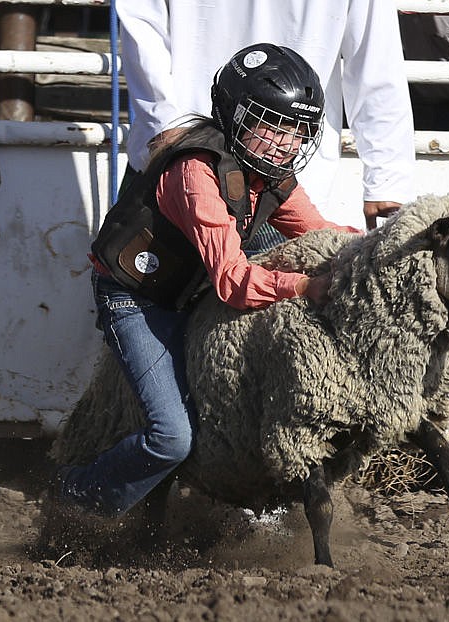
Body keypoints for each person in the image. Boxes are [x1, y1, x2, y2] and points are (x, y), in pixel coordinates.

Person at [52, 44, 360, 518]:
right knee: (171, 436)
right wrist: (302, 286)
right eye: (274, 125)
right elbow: (234, 281)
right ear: (236, 118)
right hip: (136, 300)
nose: (288, 142)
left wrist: (392, 246)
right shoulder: (196, 173)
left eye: (299, 131)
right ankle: (74, 497)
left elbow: (323, 233)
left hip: (189, 291)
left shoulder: (270, 174)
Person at [116, 1, 416, 230]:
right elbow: (375, 62)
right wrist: (387, 180)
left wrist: (387, 180)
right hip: (195, 164)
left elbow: (373, 60)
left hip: (271, 183)